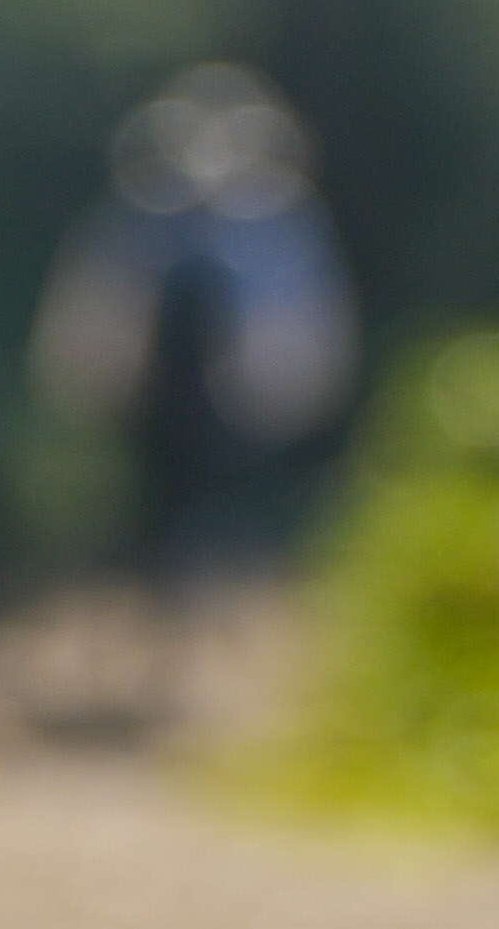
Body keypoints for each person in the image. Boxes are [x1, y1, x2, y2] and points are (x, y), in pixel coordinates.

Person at [33, 67, 360, 611]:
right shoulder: (143, 214)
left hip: (236, 408)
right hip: (161, 404)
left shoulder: (275, 224)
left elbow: (299, 323)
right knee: (161, 503)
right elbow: (102, 305)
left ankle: (210, 585)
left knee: (220, 507)